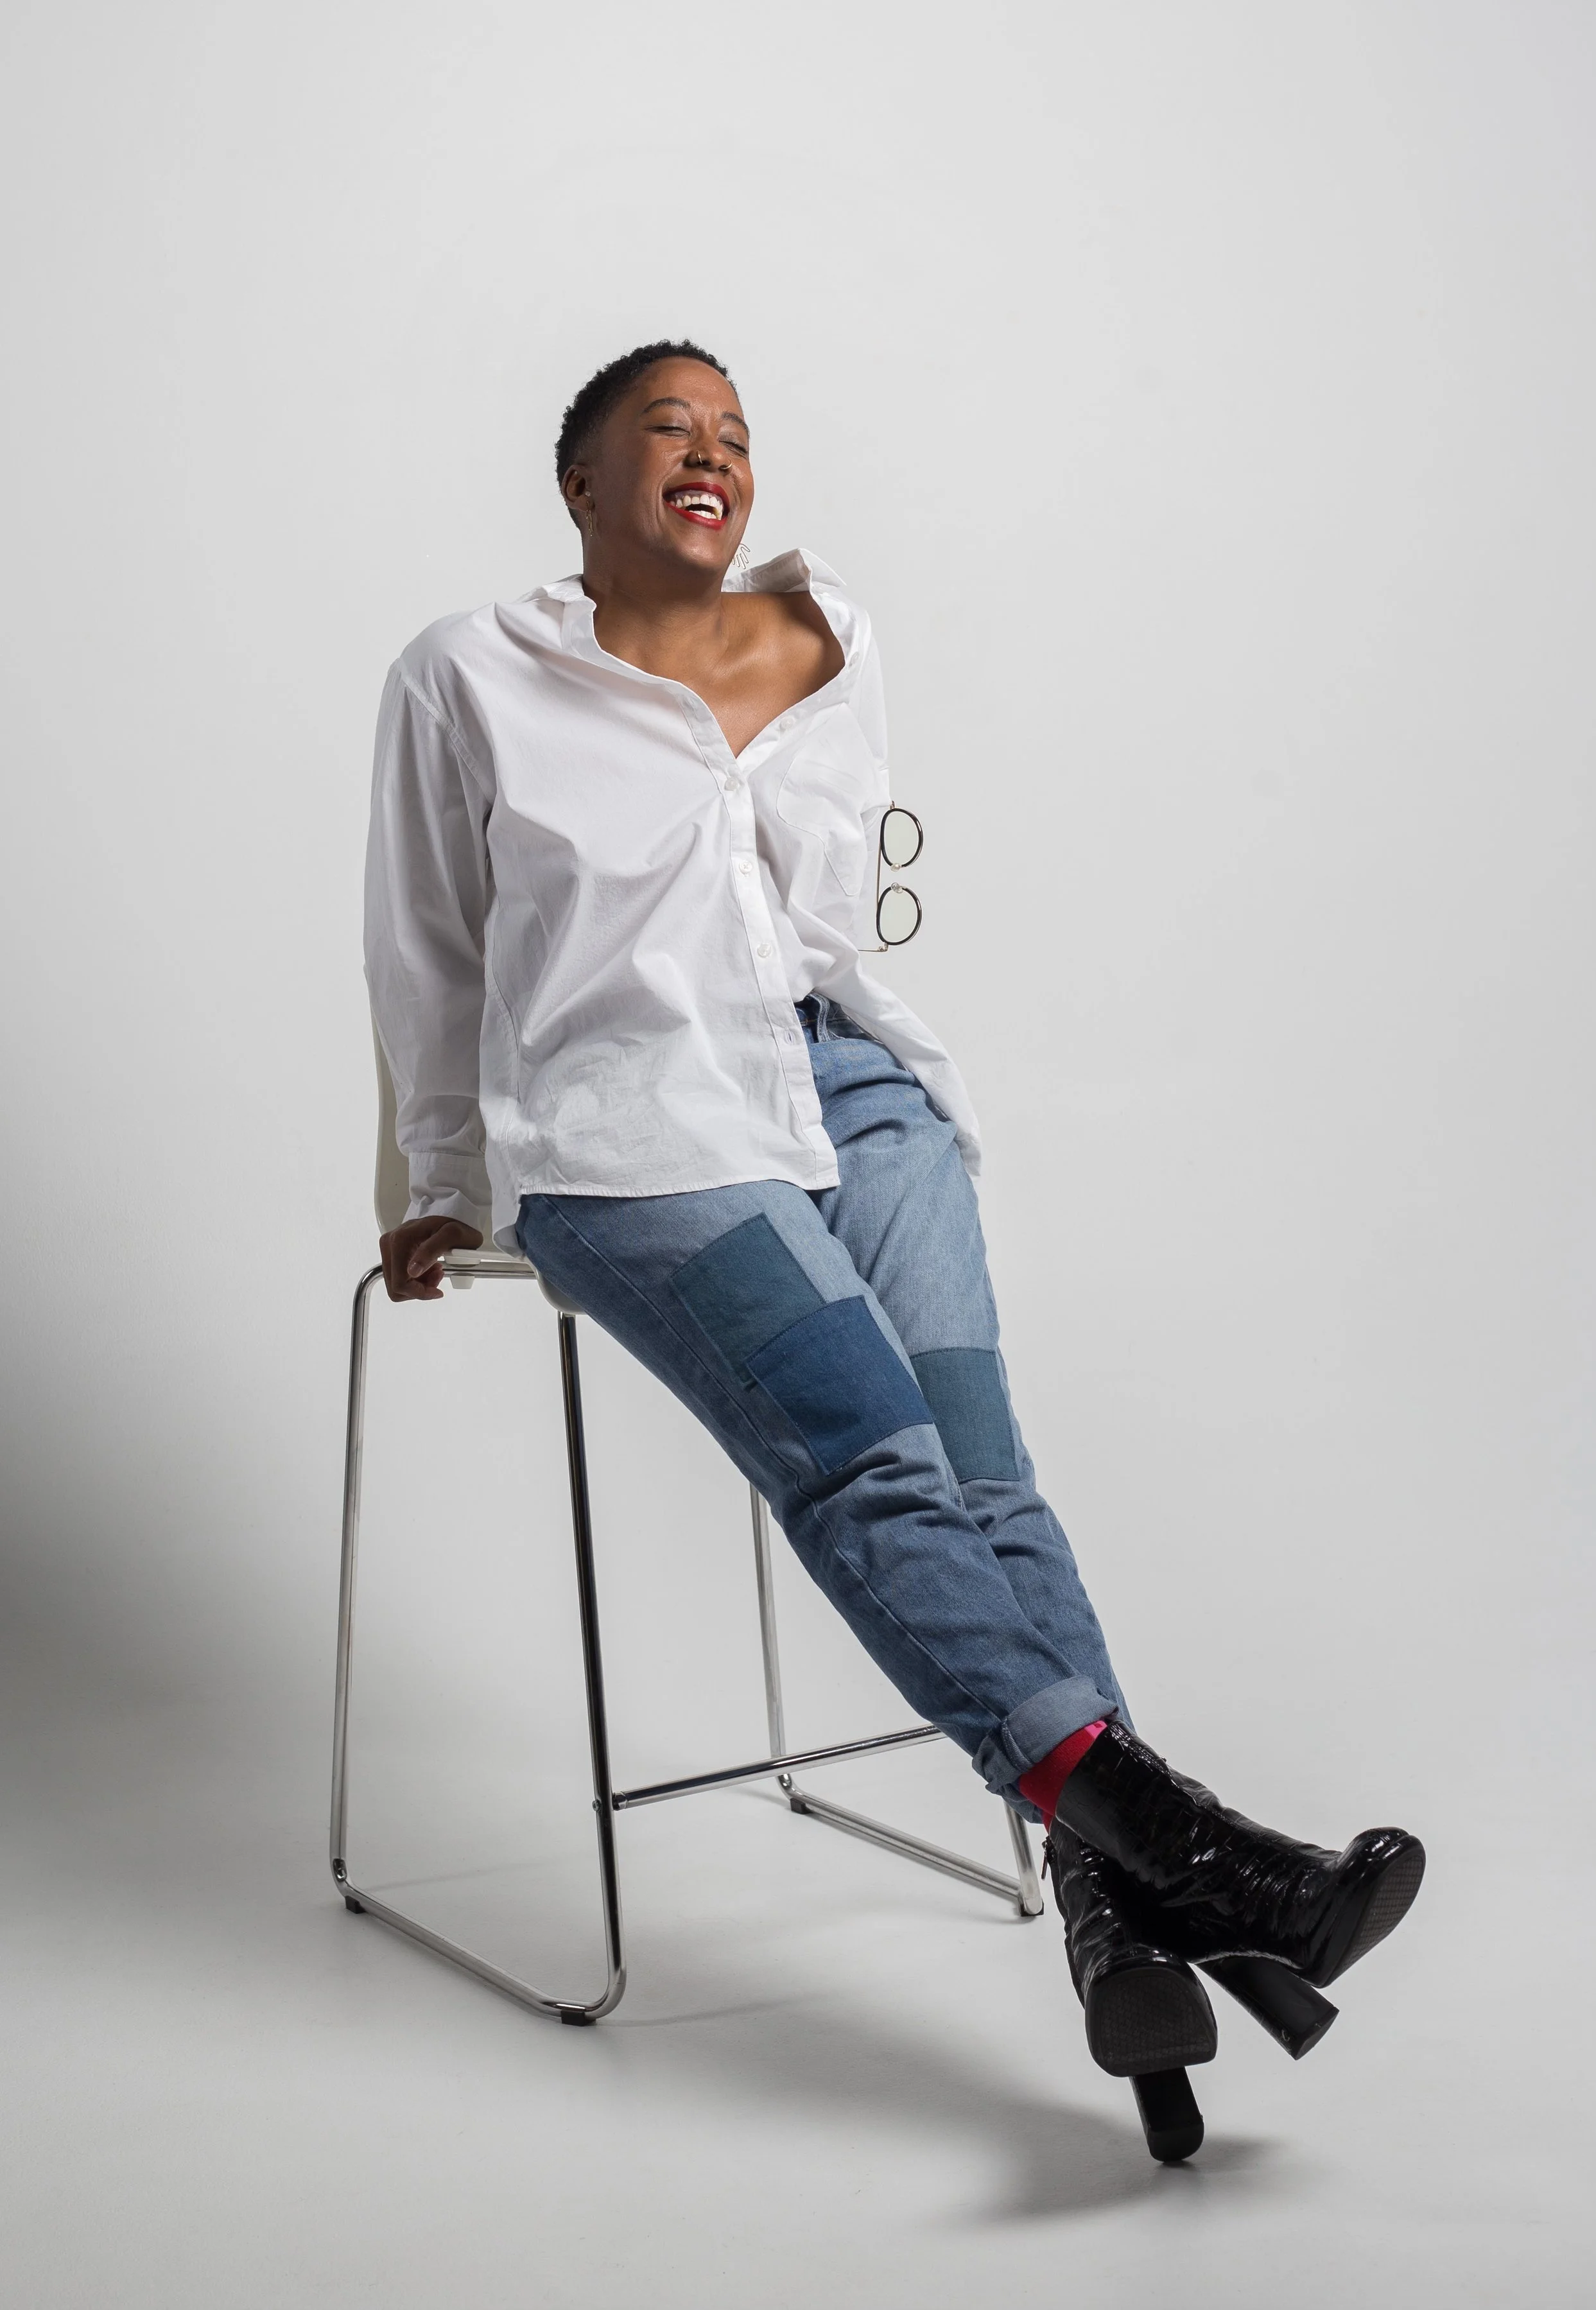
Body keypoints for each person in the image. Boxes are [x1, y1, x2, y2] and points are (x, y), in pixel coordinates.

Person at [363, 339, 1423, 2160]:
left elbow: (825, 909)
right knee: (873, 1463)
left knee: (991, 1482)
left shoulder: (823, 625)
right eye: (666, 430)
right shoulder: (470, 671)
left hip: (848, 1090)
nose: (713, 455)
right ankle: (1190, 1858)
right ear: (580, 482)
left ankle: (1119, 1912)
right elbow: (427, 939)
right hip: (632, 1139)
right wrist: (431, 1170)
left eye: (736, 436)